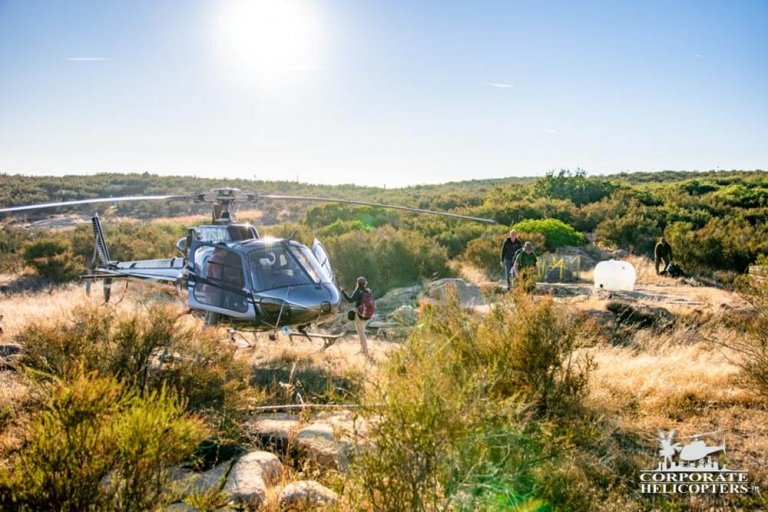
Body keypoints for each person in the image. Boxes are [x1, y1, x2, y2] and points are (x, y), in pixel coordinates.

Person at [341, 276, 372, 355]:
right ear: (365, 283)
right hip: (368, 314)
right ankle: (363, 349)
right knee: (362, 331)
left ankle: (364, 349)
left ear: (357, 283)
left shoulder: (358, 291)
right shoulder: (368, 291)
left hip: (360, 313)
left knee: (360, 332)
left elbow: (350, 300)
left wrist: (342, 292)